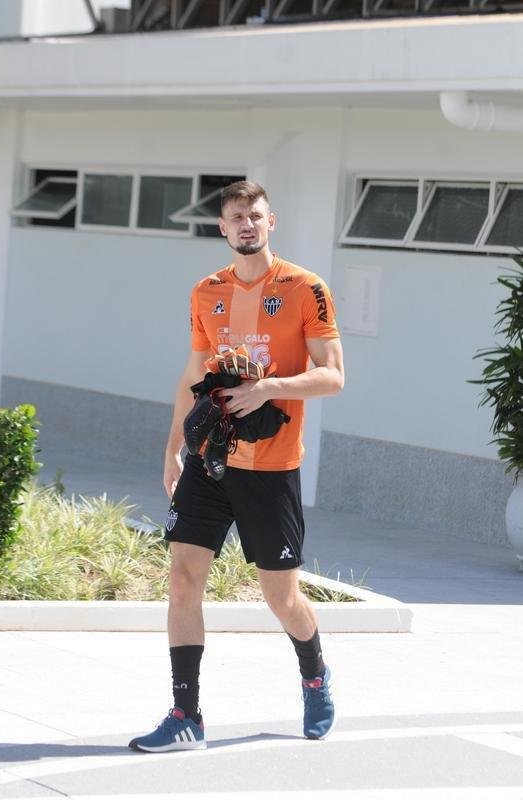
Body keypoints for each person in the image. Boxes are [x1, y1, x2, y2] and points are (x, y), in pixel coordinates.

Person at [129, 180, 344, 753]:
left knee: (280, 598)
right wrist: (173, 443)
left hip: (271, 468)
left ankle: (315, 674)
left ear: (271, 221)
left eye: (254, 215)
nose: (246, 225)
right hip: (209, 460)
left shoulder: (305, 289)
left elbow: (334, 375)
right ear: (221, 228)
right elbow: (193, 372)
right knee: (181, 581)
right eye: (235, 217)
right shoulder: (206, 292)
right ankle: (185, 715)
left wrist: (270, 385)